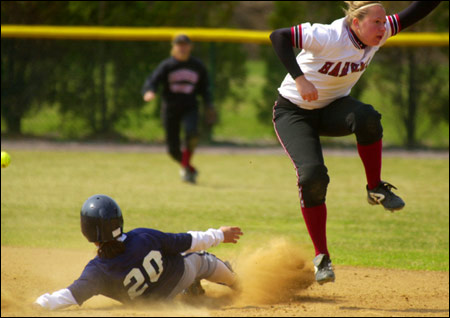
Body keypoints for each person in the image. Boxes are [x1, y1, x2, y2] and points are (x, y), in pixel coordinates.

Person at [270, 1, 441, 285]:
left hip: (332, 108)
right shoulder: (327, 35)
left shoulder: (378, 33)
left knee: (367, 117)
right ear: (355, 23)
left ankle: (375, 188)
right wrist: (300, 79)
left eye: (384, 21)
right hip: (293, 112)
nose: (383, 27)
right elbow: (278, 36)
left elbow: (416, 11)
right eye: (376, 22)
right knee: (313, 176)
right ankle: (321, 257)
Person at [35, 194, 243, 310]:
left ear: (87, 231)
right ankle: (235, 282)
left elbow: (69, 295)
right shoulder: (143, 237)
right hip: (179, 275)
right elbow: (187, 241)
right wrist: (219, 234)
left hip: (157, 304)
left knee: (177, 260)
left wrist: (40, 304)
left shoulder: (97, 272)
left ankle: (189, 289)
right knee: (199, 258)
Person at [142, 34, 216, 184]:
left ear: (190, 47)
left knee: (192, 134)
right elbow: (152, 80)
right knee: (172, 150)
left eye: (185, 44)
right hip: (170, 108)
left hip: (190, 107)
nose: (182, 47)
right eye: (179, 44)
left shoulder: (197, 66)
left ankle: (187, 169)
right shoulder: (167, 66)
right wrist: (149, 91)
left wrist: (209, 104)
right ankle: (189, 168)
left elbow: (205, 88)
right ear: (173, 47)